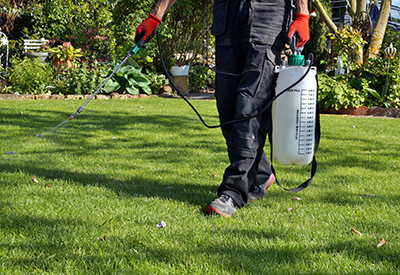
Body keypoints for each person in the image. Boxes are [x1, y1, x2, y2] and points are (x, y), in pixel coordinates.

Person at [135, 0, 310, 217]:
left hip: (268, 13)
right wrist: (155, 17)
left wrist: (302, 14)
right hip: (227, 14)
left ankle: (233, 192)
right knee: (226, 106)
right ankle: (262, 173)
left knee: (249, 104)